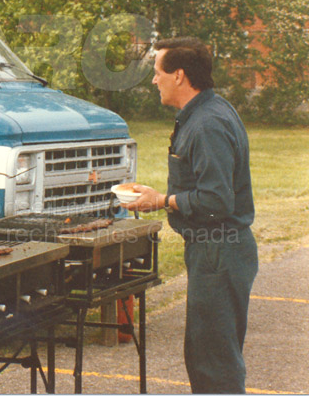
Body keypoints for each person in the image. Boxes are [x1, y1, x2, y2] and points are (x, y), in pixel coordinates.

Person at [123, 37, 258, 393]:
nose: (154, 80)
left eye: (157, 72)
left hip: (219, 250)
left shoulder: (207, 124)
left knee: (213, 363)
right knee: (208, 355)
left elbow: (216, 201)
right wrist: (162, 196)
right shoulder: (208, 111)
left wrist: (162, 200)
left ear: (179, 75)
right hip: (216, 251)